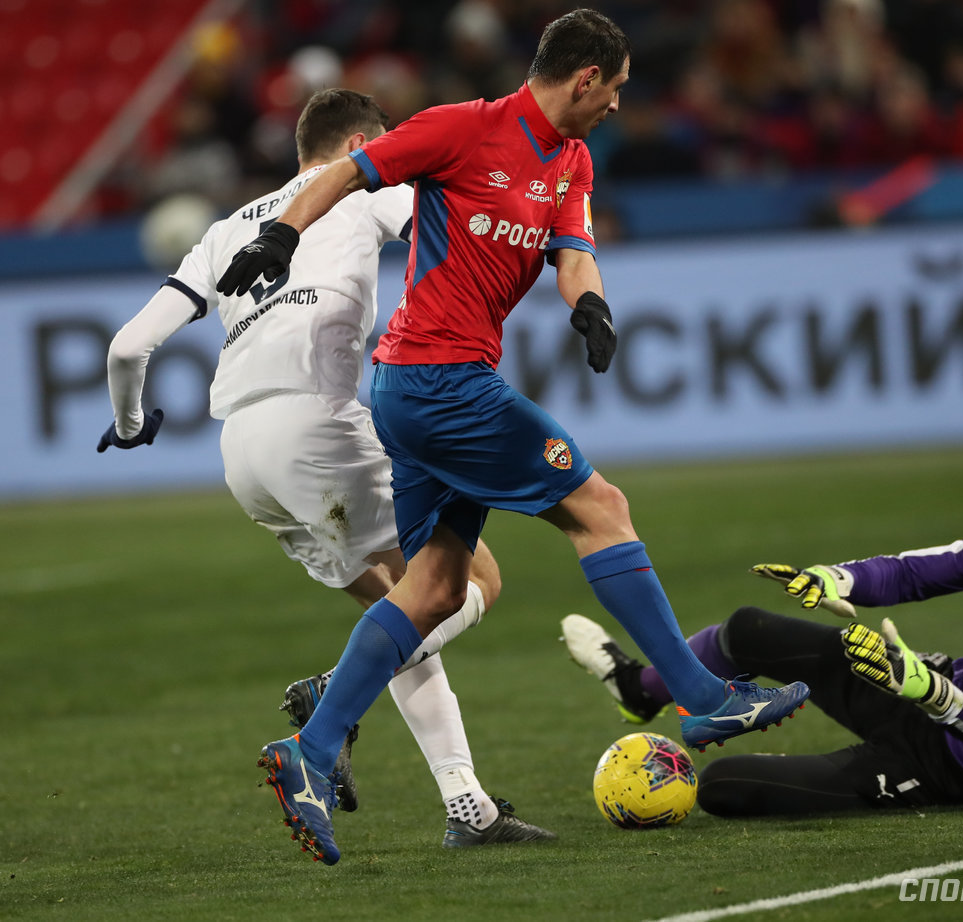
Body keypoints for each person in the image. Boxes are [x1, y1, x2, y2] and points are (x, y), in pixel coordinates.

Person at [216, 9, 808, 865]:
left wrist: (590, 304)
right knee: (600, 506)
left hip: (427, 389)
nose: (617, 106)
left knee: (435, 589)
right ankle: (700, 694)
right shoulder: (461, 130)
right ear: (585, 78)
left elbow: (573, 253)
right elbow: (349, 172)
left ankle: (311, 751)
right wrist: (280, 232)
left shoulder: (570, 160)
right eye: (617, 89)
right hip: (439, 380)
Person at [99, 87, 554, 851]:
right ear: (358, 149)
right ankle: (333, 700)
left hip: (243, 455)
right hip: (321, 424)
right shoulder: (362, 189)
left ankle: (467, 809)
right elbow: (465, 227)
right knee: (469, 582)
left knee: (401, 608)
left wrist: (131, 422)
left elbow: (126, 348)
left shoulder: (223, 232)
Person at [563, 456, 963, 816]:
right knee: (746, 629)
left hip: (957, 766)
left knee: (723, 786)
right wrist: (833, 578)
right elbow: (919, 570)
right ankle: (639, 689)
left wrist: (929, 693)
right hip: (934, 683)